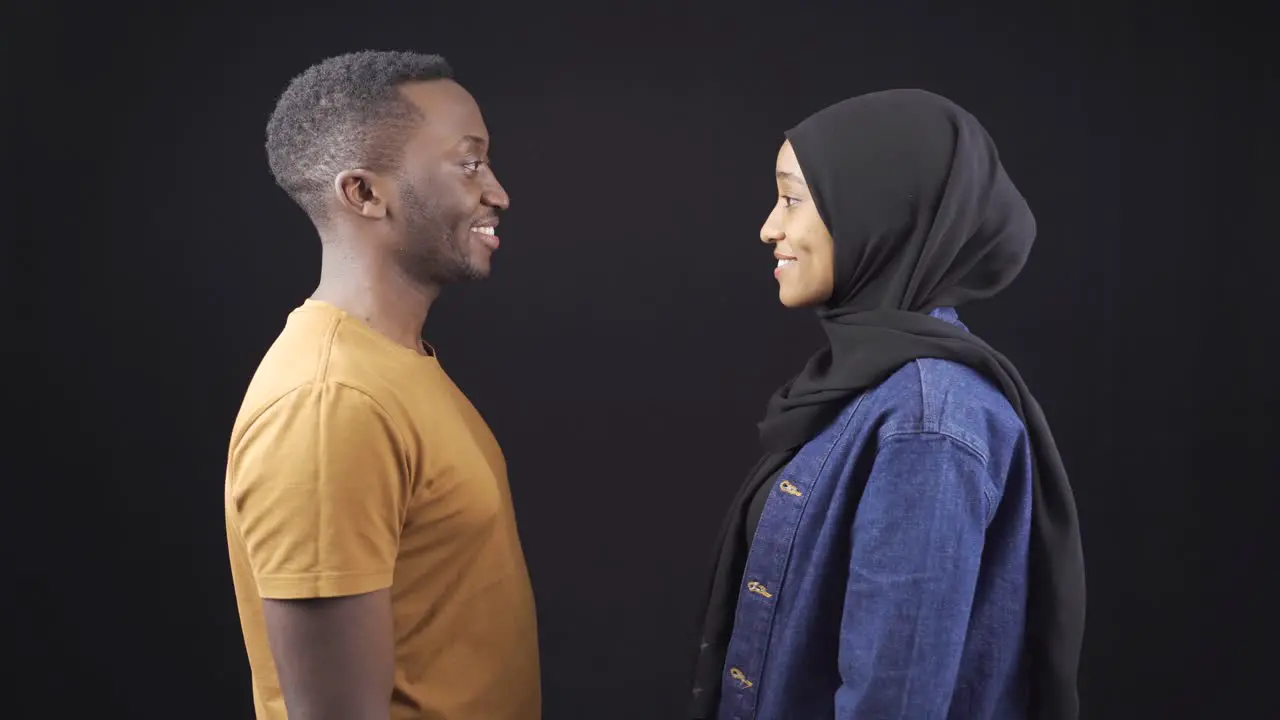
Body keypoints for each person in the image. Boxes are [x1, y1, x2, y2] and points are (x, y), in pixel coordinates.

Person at [689, 89, 1086, 719]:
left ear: (871, 209)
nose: (770, 227)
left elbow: (892, 703)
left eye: (792, 198)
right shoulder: (871, 387)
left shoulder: (926, 423)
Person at [224, 51, 539, 720]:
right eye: (469, 162)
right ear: (365, 193)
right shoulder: (329, 403)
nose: (498, 192)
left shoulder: (392, 366)